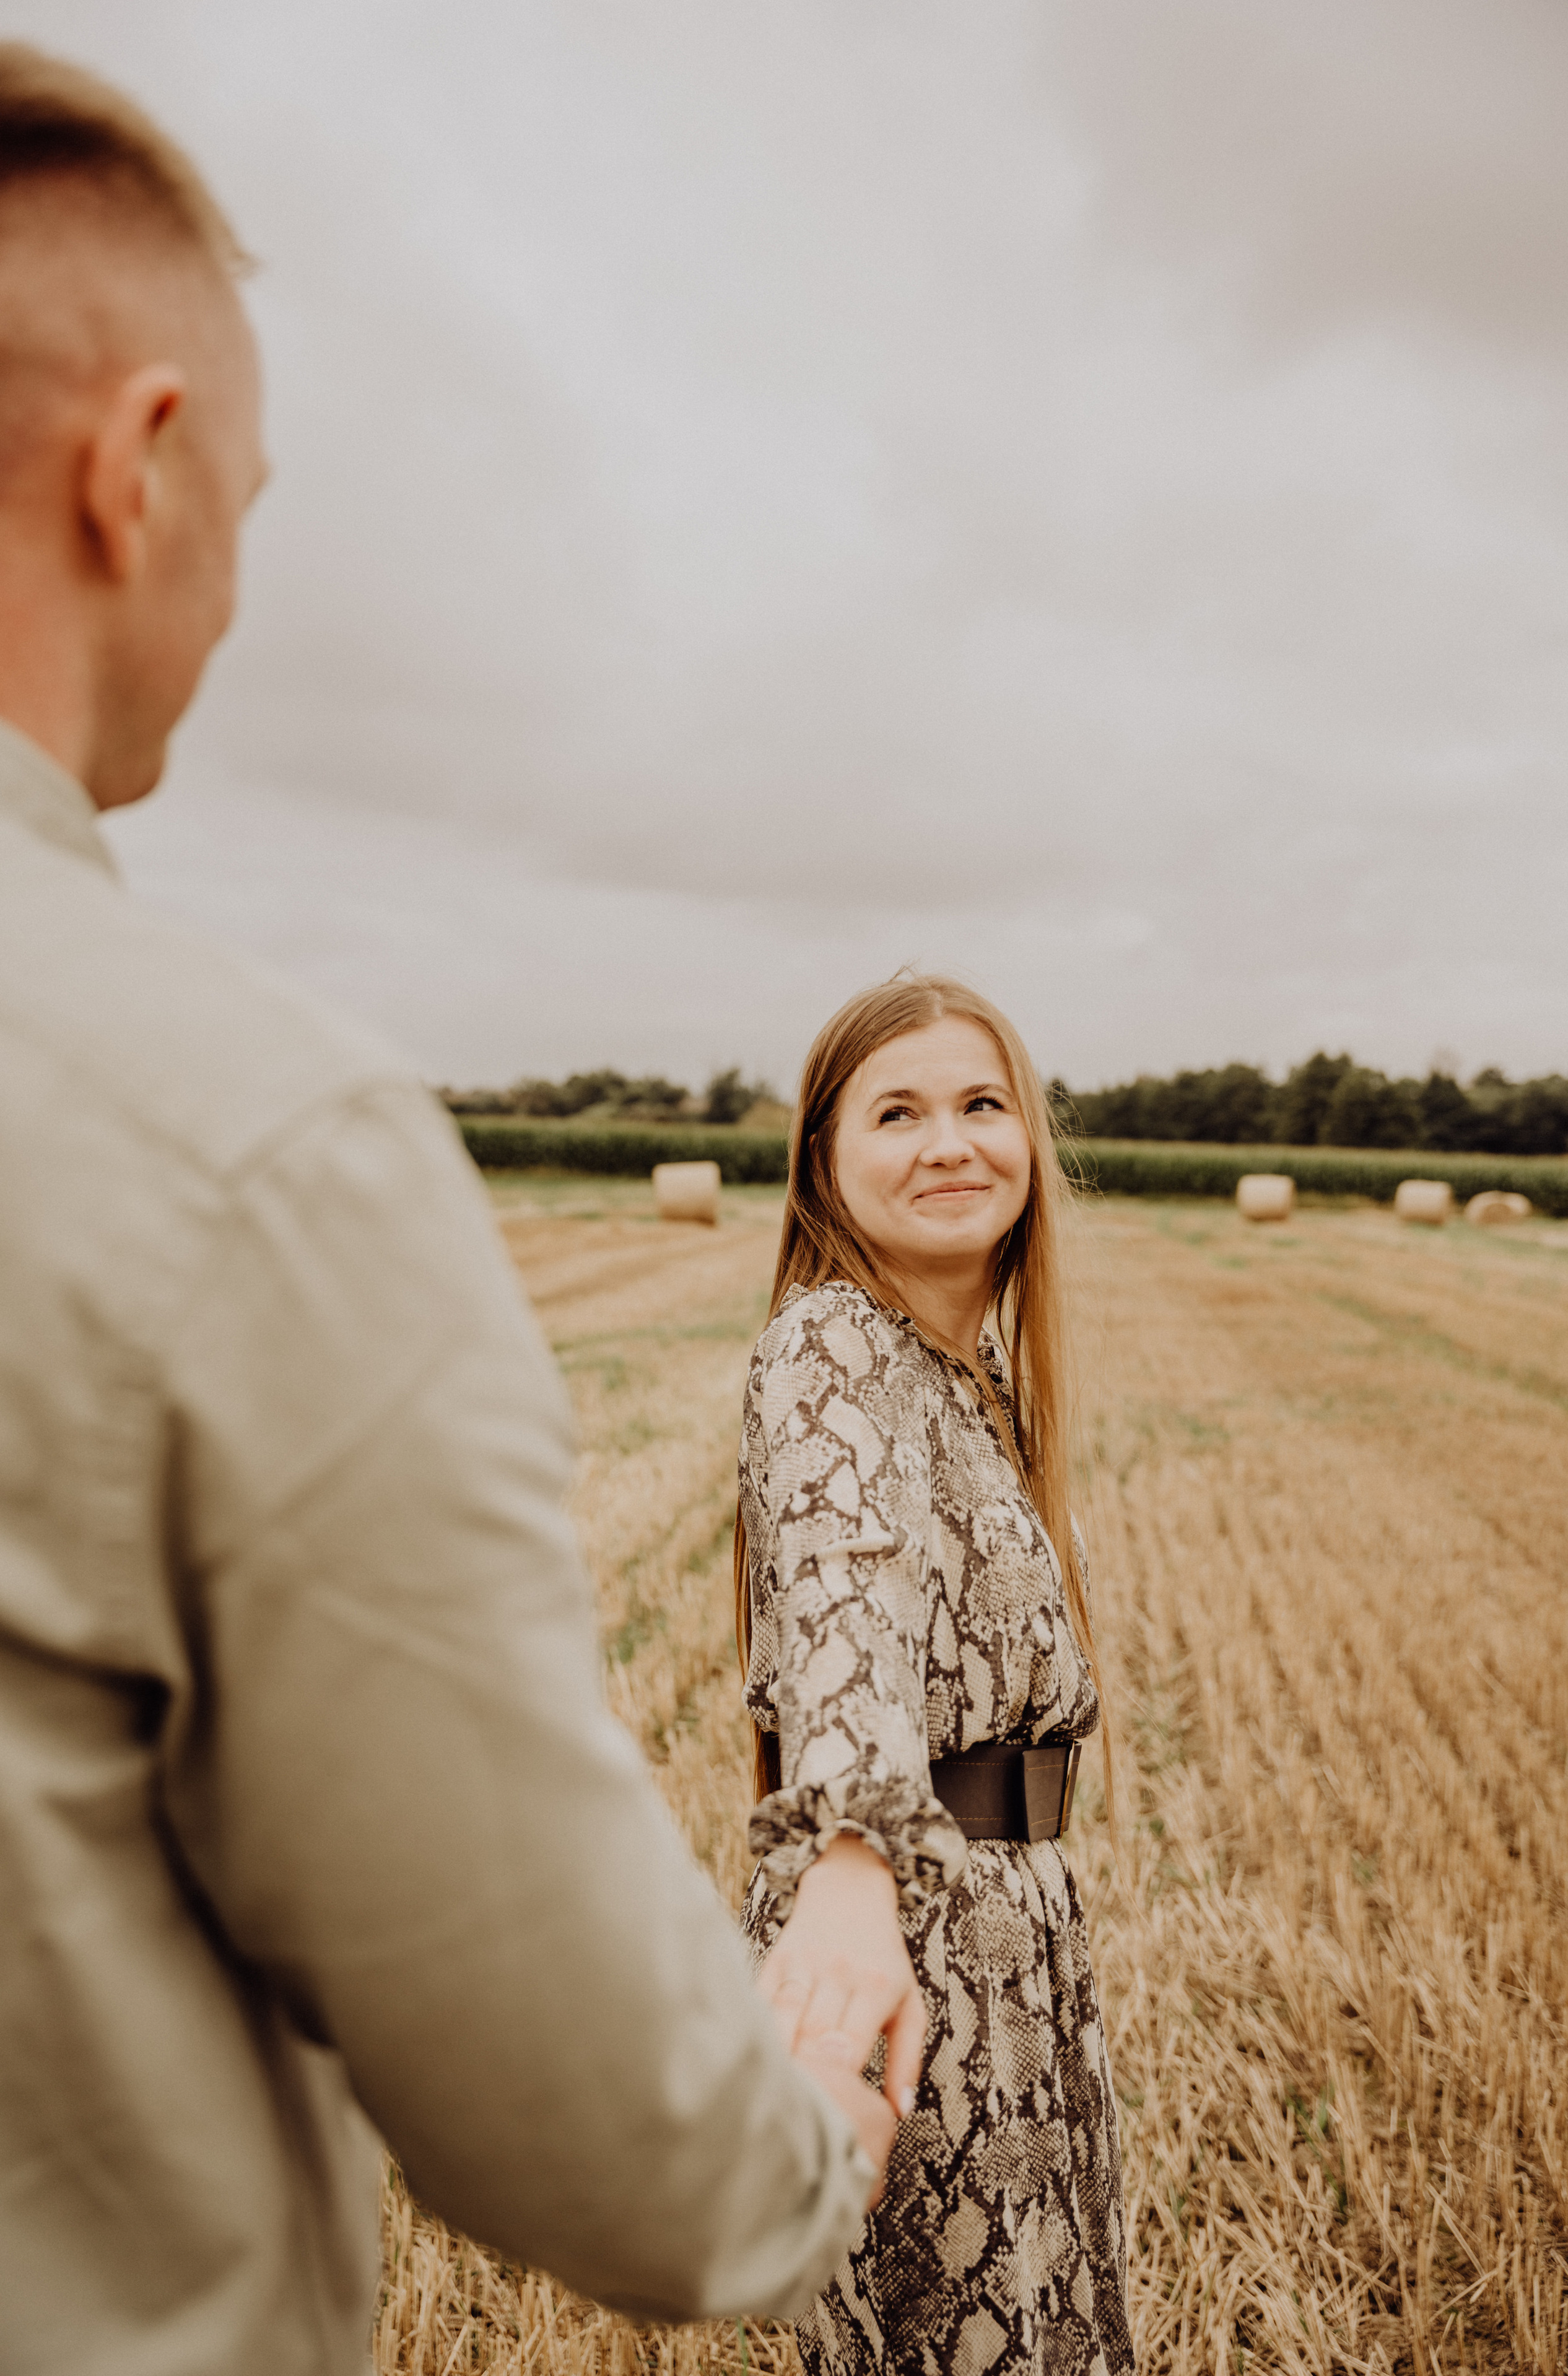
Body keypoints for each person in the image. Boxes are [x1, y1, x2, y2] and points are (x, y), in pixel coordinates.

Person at [0, 44, 895, 2375]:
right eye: (255, 504)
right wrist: (807, 2123)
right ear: (138, 463)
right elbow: (573, 2099)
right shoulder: (250, 1148)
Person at [736, 974, 1135, 2375]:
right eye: (895, 1111)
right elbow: (846, 1597)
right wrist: (851, 1869)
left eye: (981, 1102)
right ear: (825, 1163)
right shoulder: (836, 1344)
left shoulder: (970, 1380)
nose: (948, 1140)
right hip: (913, 1941)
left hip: (1015, 1933)